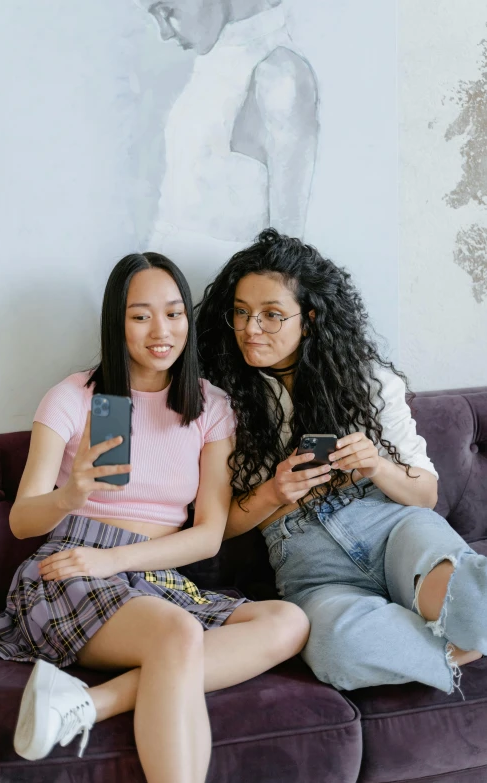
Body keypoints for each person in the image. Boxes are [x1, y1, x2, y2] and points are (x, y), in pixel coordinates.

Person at [0, 251, 309, 783]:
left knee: (289, 621)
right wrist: (70, 495)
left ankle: (87, 702)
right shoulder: (72, 398)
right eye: (140, 315)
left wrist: (119, 562)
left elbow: (208, 535)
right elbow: (22, 522)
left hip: (153, 572)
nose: (161, 331)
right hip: (73, 562)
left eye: (174, 313)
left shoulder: (209, 407)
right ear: (116, 322)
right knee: (177, 632)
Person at [196, 228, 486, 695]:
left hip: (393, 527)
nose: (251, 329)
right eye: (242, 313)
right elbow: (218, 528)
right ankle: (454, 647)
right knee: (335, 651)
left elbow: (425, 494)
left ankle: (433, 625)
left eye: (271, 315)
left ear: (308, 319)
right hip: (309, 564)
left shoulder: (368, 380)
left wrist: (377, 467)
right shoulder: (220, 401)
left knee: (472, 597)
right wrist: (273, 492)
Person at [138, 0, 319, 295]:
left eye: (167, 9)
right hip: (171, 305)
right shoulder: (215, 58)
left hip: (219, 309)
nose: (164, 33)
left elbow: (287, 260)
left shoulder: (280, 75)